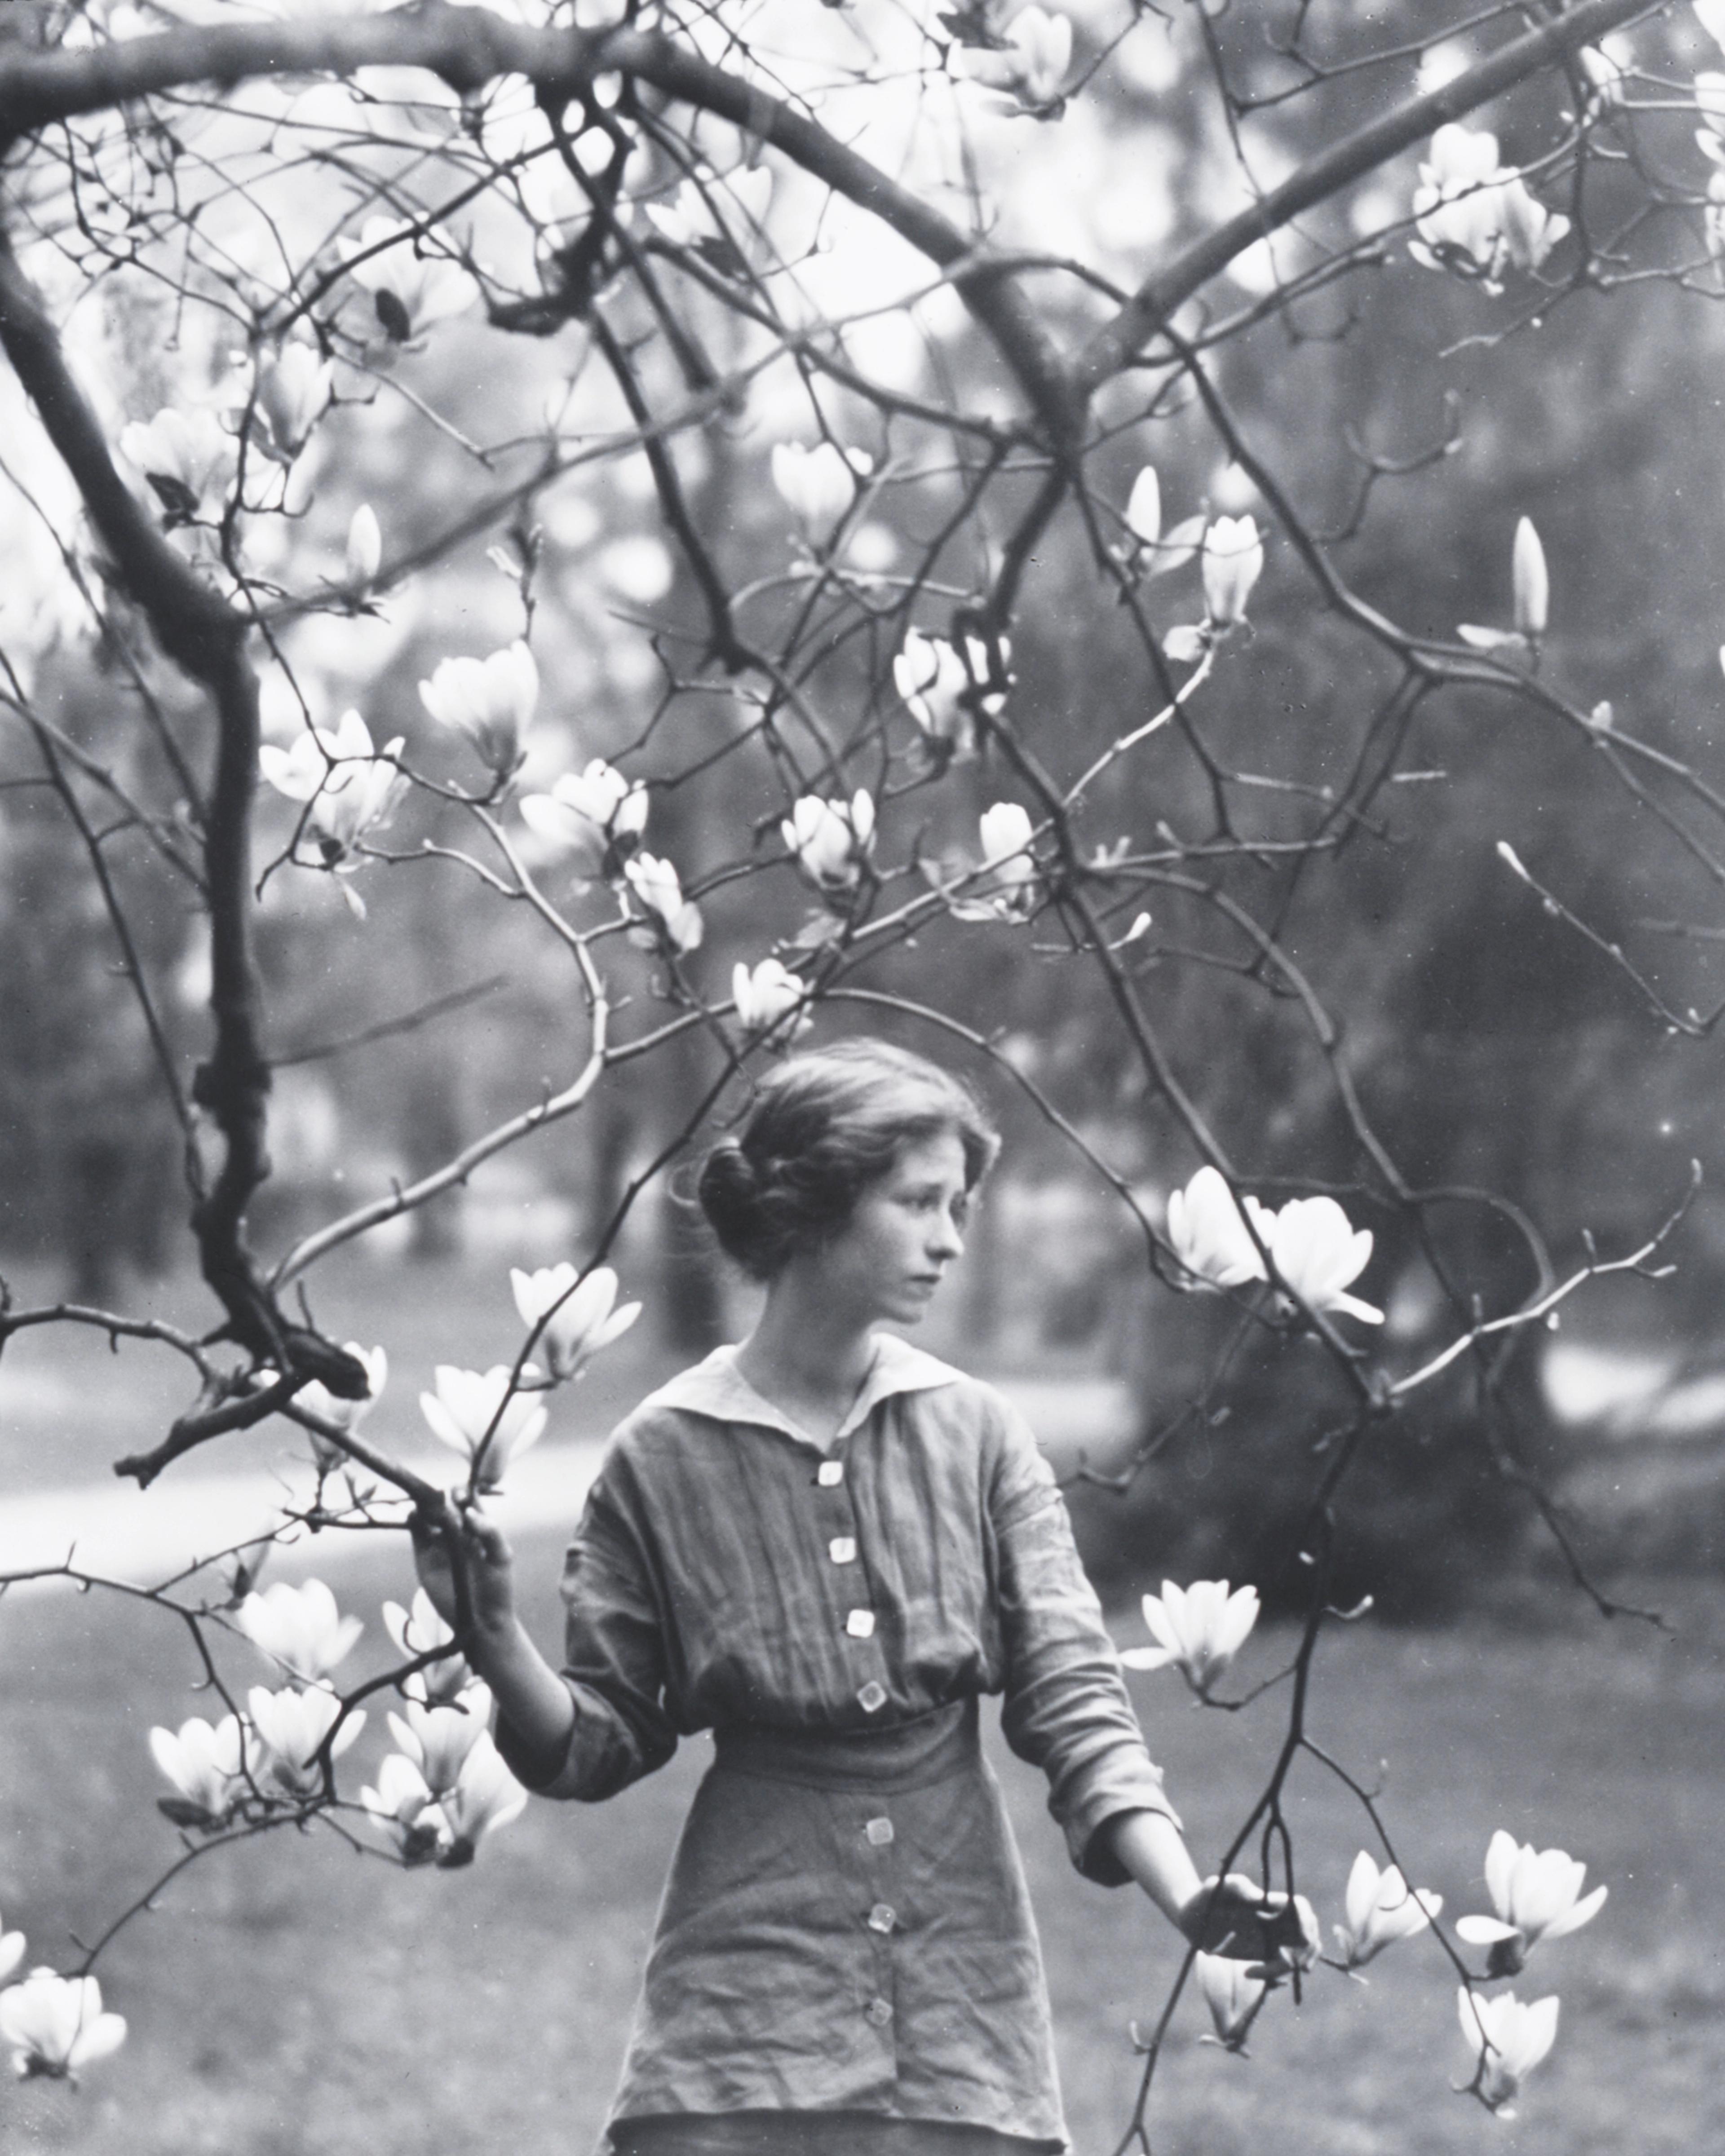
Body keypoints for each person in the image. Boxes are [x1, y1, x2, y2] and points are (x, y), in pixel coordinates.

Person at [413, 1040, 1305, 2156]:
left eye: (960, 1205)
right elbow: (598, 1744)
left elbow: (1077, 1702)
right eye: (920, 1201)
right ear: (815, 1205)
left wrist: (1188, 1901)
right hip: (743, 1992)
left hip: (959, 1965)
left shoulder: (978, 1435)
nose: (950, 1238)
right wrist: (492, 1637)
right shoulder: (663, 1456)